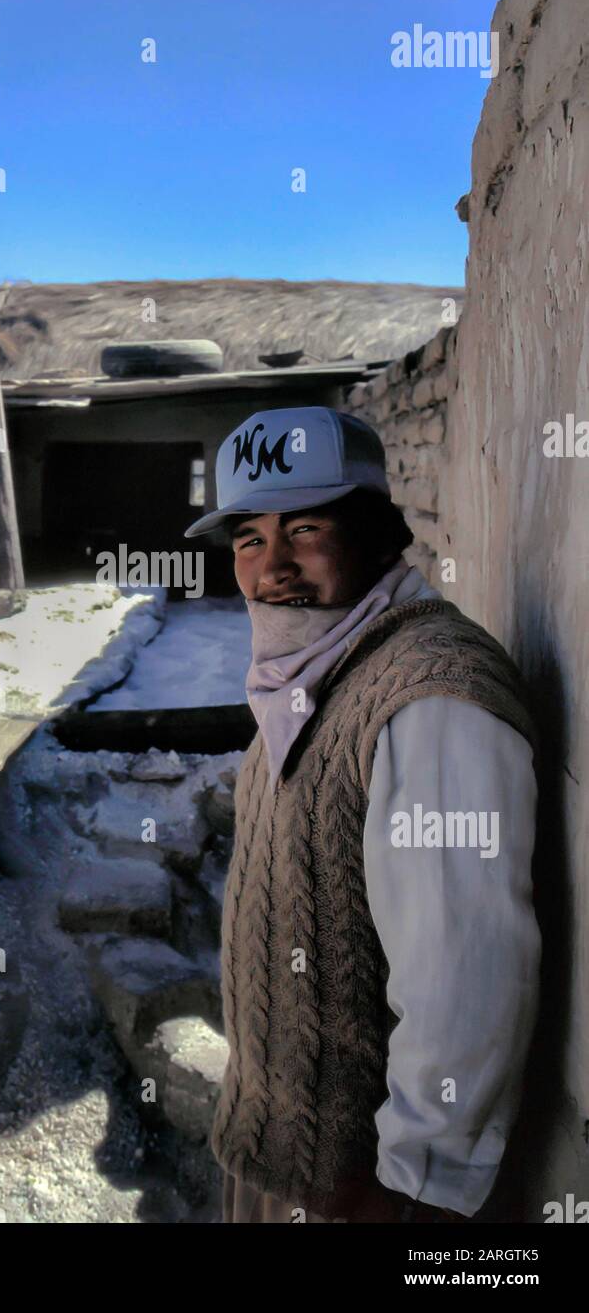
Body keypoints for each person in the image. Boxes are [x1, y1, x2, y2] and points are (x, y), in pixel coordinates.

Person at [184, 406, 541, 1224]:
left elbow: (466, 978)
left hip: (366, 1196)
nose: (271, 567)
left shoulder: (429, 700)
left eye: (305, 530)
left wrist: (417, 1191)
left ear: (378, 534)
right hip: (288, 1169)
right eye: (248, 539)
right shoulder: (318, 671)